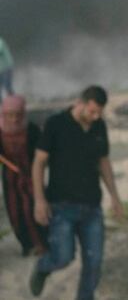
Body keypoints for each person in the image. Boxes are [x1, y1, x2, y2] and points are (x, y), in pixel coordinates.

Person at [29, 85, 124, 300]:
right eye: (92, 111)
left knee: (94, 262)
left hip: (92, 206)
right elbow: (39, 163)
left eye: (99, 112)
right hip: (61, 206)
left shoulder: (99, 126)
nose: (95, 116)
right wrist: (39, 200)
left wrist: (115, 197)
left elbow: (104, 162)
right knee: (63, 258)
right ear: (80, 103)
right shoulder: (56, 124)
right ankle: (43, 267)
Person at [1, 95, 46, 256]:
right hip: (10, 178)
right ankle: (26, 245)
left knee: (32, 207)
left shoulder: (32, 130)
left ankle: (40, 243)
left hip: (31, 175)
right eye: (9, 115)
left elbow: (41, 155)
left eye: (17, 115)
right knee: (15, 210)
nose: (13, 119)